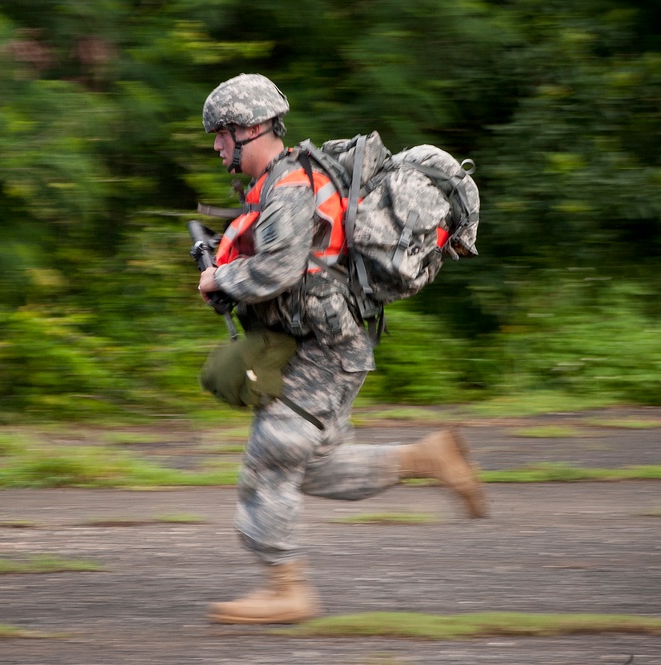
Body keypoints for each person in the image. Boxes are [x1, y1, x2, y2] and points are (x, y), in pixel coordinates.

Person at [196, 73, 489, 625]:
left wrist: (221, 280)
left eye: (222, 133)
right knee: (315, 467)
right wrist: (228, 267)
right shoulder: (279, 185)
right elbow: (290, 262)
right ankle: (429, 458)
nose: (216, 144)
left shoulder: (288, 189)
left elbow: (279, 270)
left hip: (328, 350)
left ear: (252, 128)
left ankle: (287, 589)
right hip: (325, 344)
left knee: (272, 455)